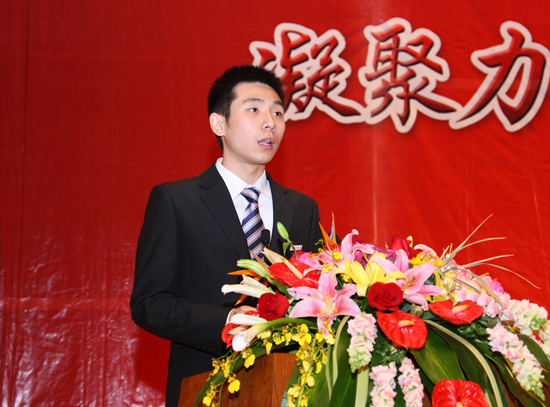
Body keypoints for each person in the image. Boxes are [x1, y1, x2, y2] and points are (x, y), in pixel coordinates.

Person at [130, 65, 323, 407]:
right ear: (219, 124)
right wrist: (228, 321)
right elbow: (150, 304)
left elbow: (316, 297)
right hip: (205, 384)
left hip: (289, 387)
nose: (270, 122)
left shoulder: (302, 208)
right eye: (254, 109)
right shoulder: (176, 201)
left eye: (278, 112)